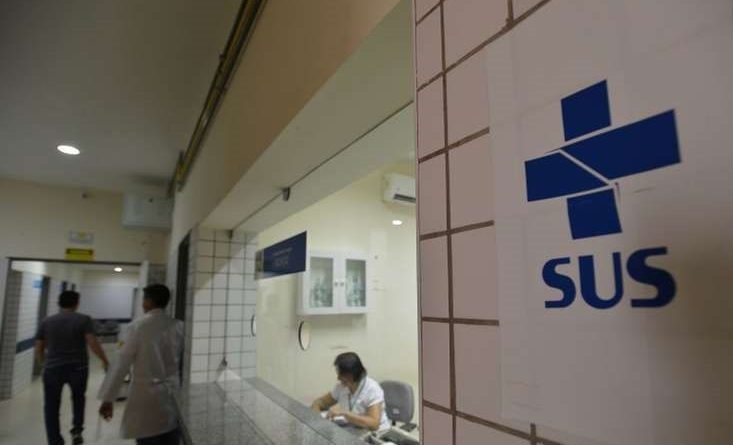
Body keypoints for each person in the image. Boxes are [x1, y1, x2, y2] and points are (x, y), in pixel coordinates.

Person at [98, 284, 183, 445]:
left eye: (144, 299)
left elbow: (121, 365)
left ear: (148, 301)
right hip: (171, 395)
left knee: (148, 437)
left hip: (146, 397)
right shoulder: (178, 325)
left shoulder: (137, 327)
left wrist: (108, 399)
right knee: (170, 437)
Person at [35, 290, 110, 445]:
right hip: (78, 368)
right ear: (76, 303)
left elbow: (39, 347)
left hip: (53, 369)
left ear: (59, 303)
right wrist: (104, 360)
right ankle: (77, 431)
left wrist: (43, 365)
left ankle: (54, 440)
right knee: (78, 399)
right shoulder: (84, 320)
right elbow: (92, 342)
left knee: (51, 406)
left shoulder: (46, 321)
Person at [310, 352, 390, 432]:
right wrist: (318, 420)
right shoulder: (341, 386)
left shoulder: (372, 389)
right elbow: (319, 402)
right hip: (353, 430)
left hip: (377, 433)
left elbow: (374, 424)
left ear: (352, 374)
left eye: (341, 374)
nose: (338, 378)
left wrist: (345, 413)